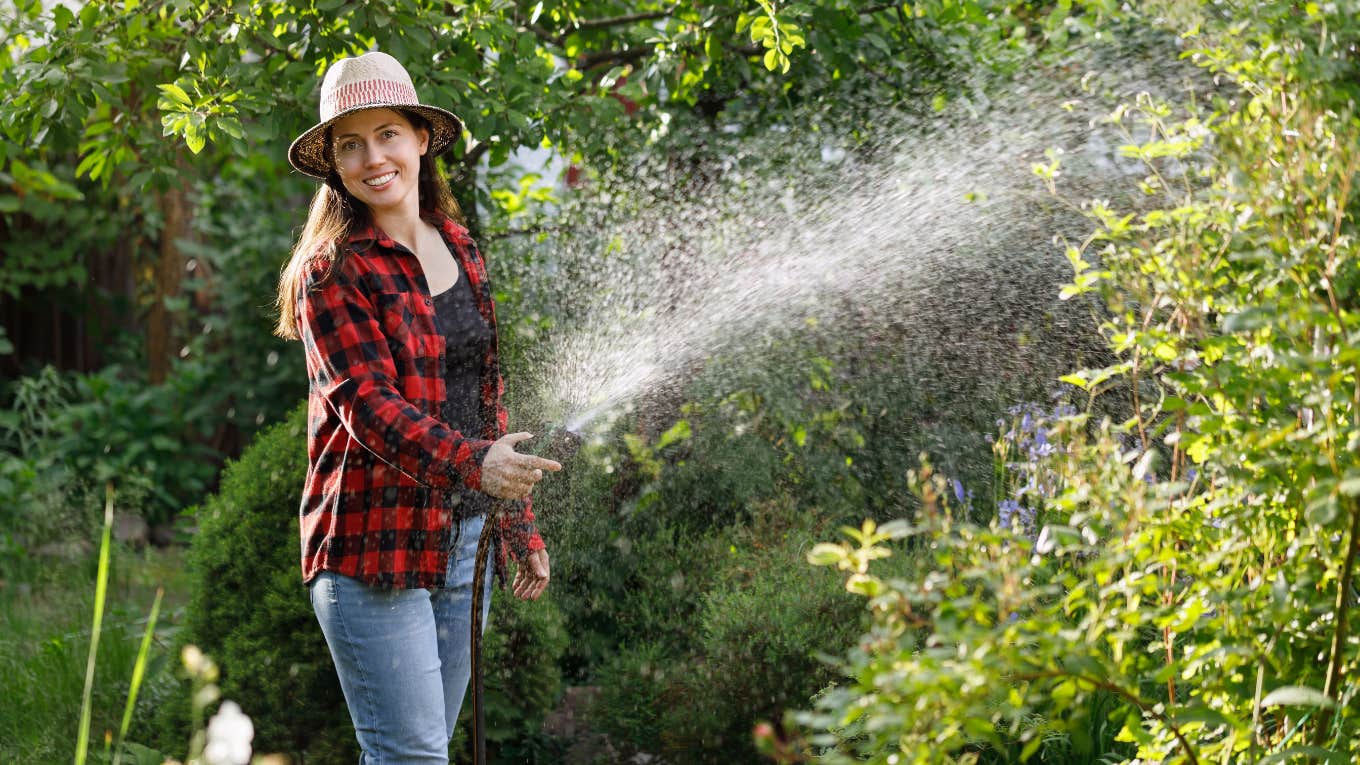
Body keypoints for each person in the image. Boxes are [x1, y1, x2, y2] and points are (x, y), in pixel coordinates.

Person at [273, 50, 562, 763]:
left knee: (420, 752)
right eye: (351, 143)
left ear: (421, 139)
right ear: (334, 163)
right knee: (412, 756)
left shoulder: (459, 245)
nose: (373, 156)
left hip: (462, 542)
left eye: (388, 134)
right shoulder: (331, 270)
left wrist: (517, 523)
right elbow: (366, 405)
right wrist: (476, 466)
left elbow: (483, 398)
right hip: (373, 548)